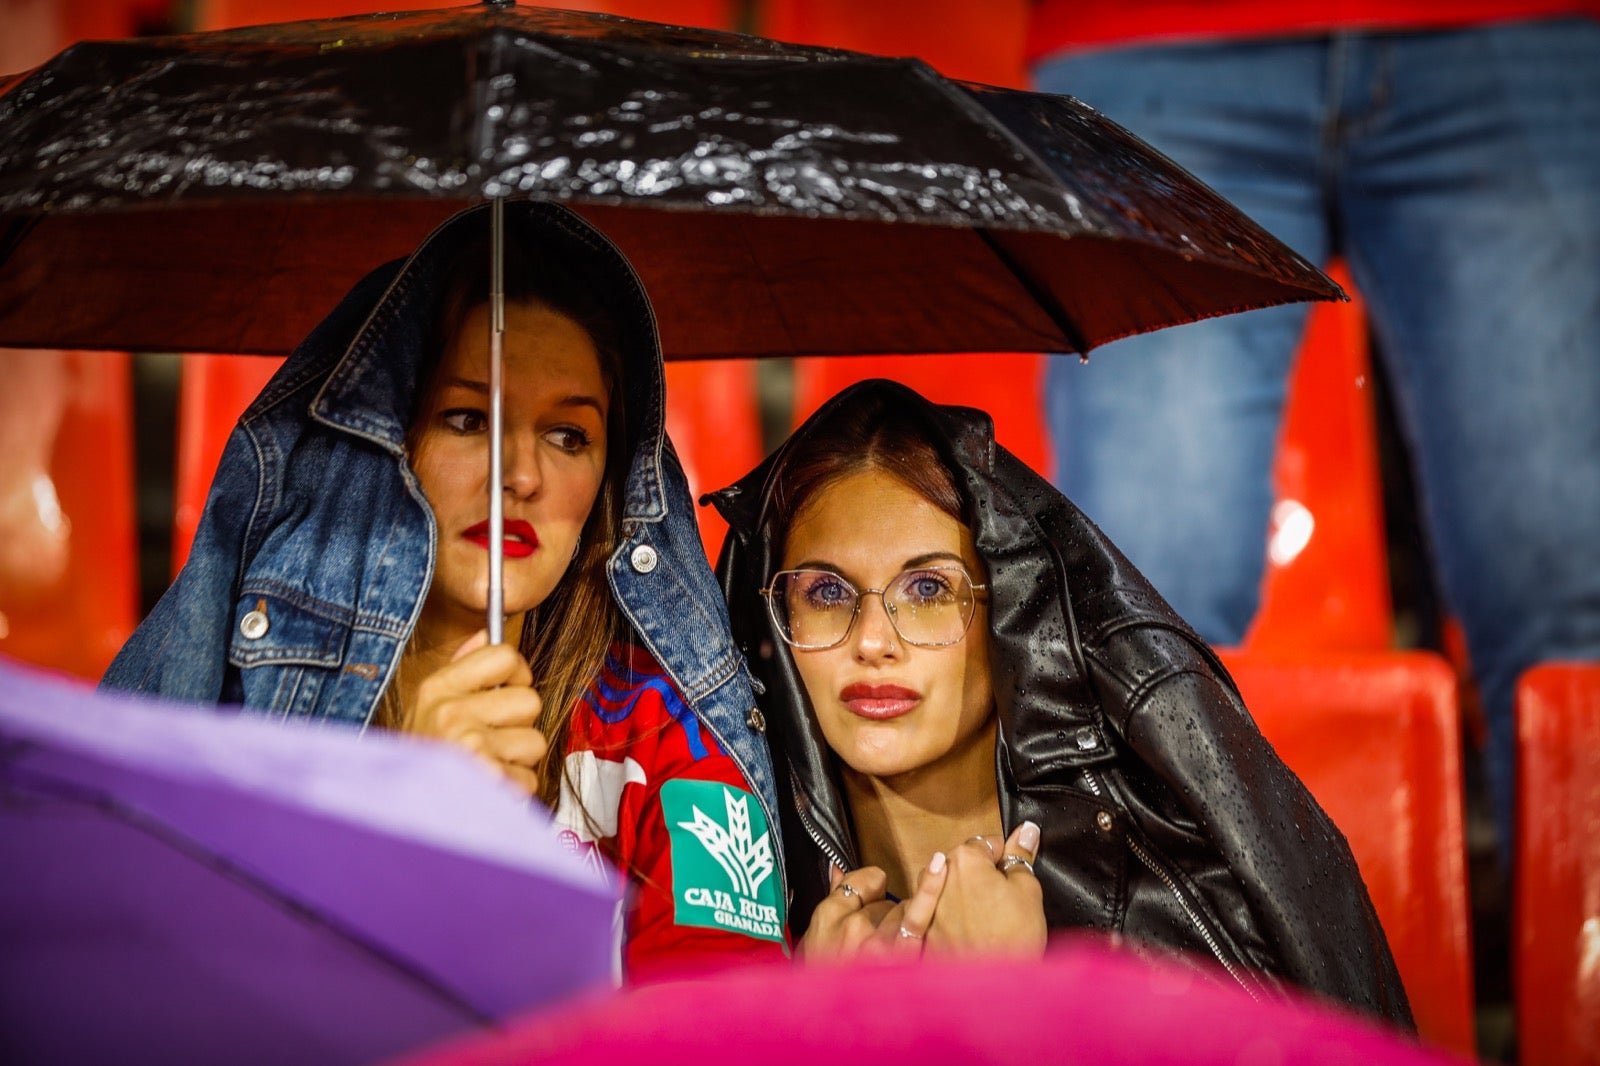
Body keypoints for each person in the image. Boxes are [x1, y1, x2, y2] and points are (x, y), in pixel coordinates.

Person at [102, 202, 786, 980]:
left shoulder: (668, 737)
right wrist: (397, 818)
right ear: (381, 452)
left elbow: (719, 1028)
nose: (520, 476)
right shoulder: (246, 711)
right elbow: (160, 995)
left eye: (570, 435)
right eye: (467, 419)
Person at [1027, 2, 1600, 848]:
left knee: (1571, 628)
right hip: (1150, 29)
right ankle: (1158, 975)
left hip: (1518, 26)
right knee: (1135, 626)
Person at [710, 379, 1413, 1027]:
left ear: (1011, 613)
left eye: (927, 591)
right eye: (825, 593)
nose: (871, 642)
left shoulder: (1172, 882)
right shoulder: (736, 873)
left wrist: (1014, 1010)